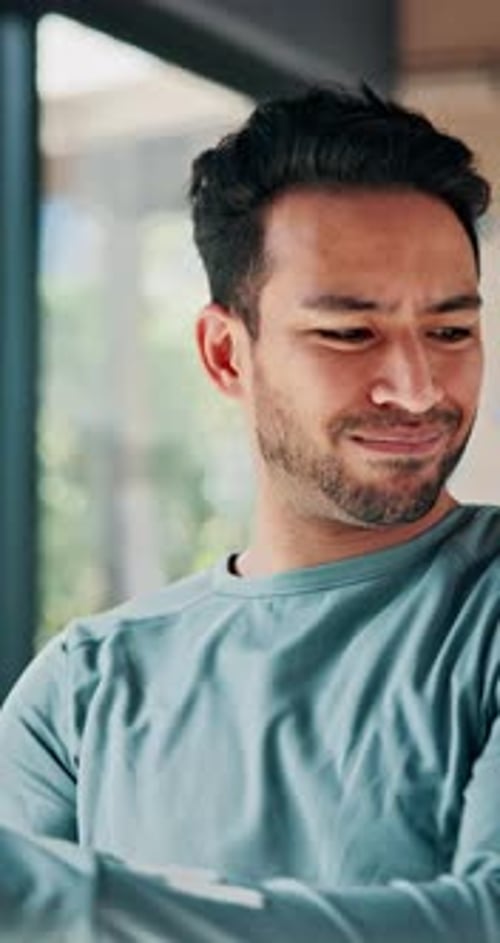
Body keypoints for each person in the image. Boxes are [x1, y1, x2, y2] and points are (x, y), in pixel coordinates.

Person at [0, 84, 498, 942]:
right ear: (227, 352)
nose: (417, 388)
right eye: (350, 334)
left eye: (451, 332)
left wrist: (73, 902)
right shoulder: (80, 690)